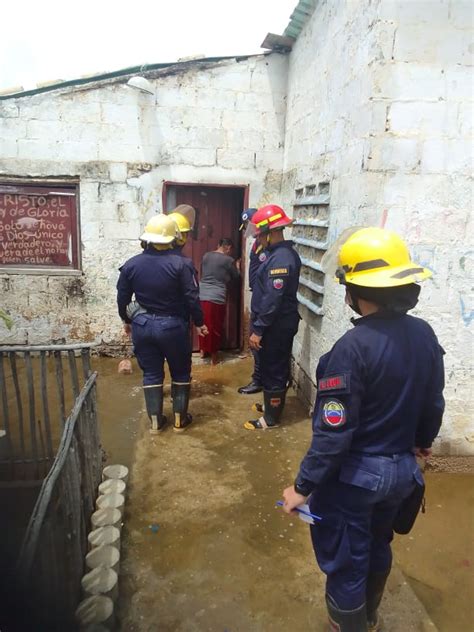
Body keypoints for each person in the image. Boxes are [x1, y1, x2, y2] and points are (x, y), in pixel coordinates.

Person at [281, 227, 445, 631]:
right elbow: (433, 398)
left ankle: (350, 625)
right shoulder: (424, 334)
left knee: (346, 559)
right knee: (377, 544)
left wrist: (301, 487)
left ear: (354, 288)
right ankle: (370, 617)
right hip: (402, 472)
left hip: (358, 478)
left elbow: (334, 434)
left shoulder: (350, 351)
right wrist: (422, 442)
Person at [117, 214, 208, 434]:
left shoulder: (131, 265)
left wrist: (127, 320)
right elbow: (191, 296)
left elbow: (122, 296)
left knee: (151, 373)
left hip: (142, 325)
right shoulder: (182, 264)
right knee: (180, 372)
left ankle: (156, 423)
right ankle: (179, 421)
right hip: (172, 326)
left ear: (147, 237)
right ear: (172, 238)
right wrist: (199, 322)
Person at [244, 204, 301, 430]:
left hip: (276, 325)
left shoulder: (282, 258)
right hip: (272, 323)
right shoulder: (274, 255)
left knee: (275, 368)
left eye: (260, 235)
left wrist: (259, 329)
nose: (258, 240)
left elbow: (272, 298)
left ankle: (271, 419)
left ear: (272, 232)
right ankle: (271, 406)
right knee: (270, 365)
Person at [237, 208, 268, 395]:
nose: (248, 231)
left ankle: (259, 380)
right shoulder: (258, 243)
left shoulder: (265, 245)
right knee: (256, 343)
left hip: (262, 299)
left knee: (257, 343)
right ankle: (259, 378)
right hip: (258, 296)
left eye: (250, 226)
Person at [199, 238, 240, 364]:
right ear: (227, 247)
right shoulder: (228, 260)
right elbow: (236, 276)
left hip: (202, 293)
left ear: (218, 245)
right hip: (217, 296)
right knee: (215, 326)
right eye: (230, 249)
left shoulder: (206, 256)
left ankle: (202, 351)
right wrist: (237, 266)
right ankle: (214, 356)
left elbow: (203, 272)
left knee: (203, 324)